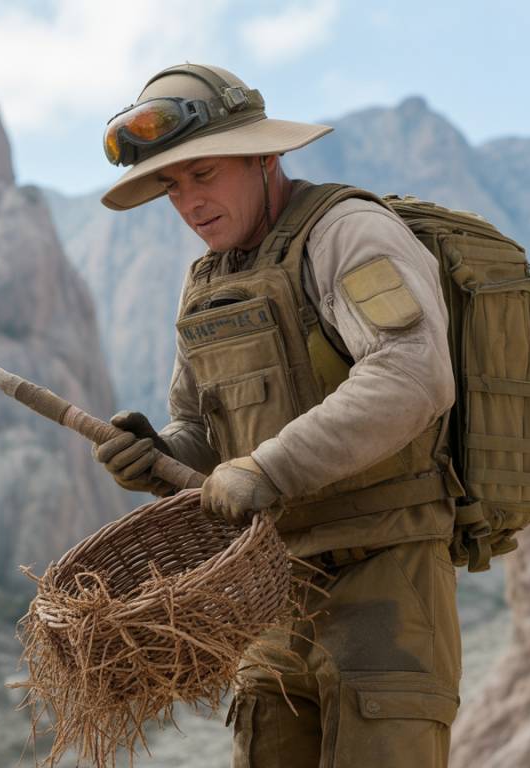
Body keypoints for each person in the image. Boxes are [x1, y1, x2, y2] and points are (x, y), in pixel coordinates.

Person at [92, 63, 464, 767]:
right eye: (172, 186)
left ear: (264, 155)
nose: (189, 203)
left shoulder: (346, 233)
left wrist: (270, 467)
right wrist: (158, 454)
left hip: (385, 583)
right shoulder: (209, 280)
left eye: (204, 174)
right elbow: (202, 436)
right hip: (270, 595)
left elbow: (414, 373)